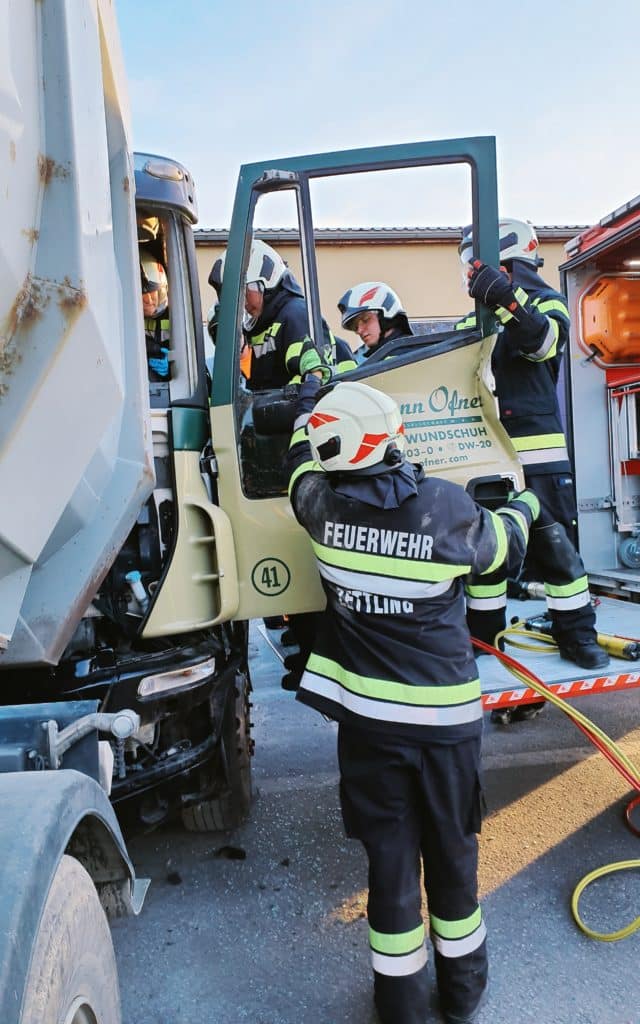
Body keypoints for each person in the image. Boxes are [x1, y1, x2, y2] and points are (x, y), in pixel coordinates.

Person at [287, 377, 542, 1024]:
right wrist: (526, 509)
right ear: (390, 439)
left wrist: (301, 413)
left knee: (391, 868)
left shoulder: (319, 510)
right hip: (445, 729)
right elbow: (502, 553)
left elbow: (299, 469)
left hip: (370, 731)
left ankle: (399, 1005)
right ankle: (462, 995)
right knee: (454, 861)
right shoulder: (448, 509)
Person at [456, 220, 608, 716]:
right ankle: (485, 643)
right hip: (492, 458)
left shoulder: (544, 301)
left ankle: (578, 640)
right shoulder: (482, 315)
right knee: (490, 557)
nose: (471, 275)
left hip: (539, 457)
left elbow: (542, 344)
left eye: (478, 265)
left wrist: (508, 298)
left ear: (509, 261)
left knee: (558, 551)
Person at [208, 239, 335, 390]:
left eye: (245, 293)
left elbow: (316, 370)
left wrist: (305, 408)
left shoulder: (295, 315)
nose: (243, 304)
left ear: (268, 279)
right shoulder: (261, 330)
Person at [337, 281, 413, 361]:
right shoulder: (372, 360)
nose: (359, 330)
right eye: (355, 327)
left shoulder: (409, 356)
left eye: (365, 320)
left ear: (386, 318)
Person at [141, 255, 170, 382]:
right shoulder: (123, 320)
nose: (148, 299)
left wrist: (173, 366)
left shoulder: (176, 315)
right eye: (142, 293)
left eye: (152, 292)